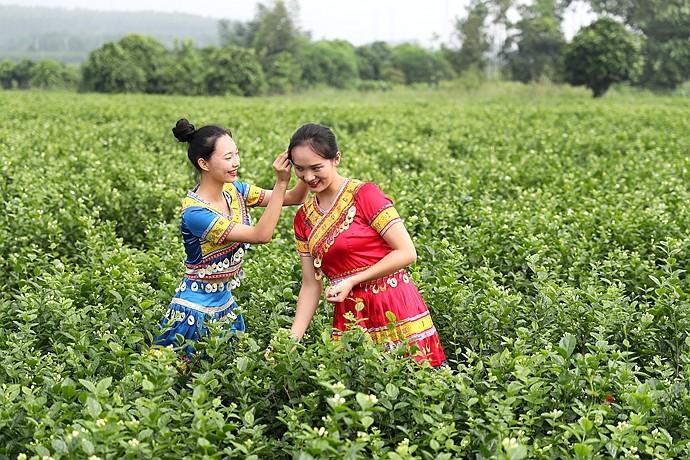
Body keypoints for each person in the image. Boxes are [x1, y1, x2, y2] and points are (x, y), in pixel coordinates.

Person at [288, 123, 447, 367]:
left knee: (417, 386)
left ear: (336, 159)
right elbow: (311, 284)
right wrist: (290, 342)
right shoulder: (303, 219)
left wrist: (352, 280)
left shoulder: (365, 195)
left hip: (393, 304)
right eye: (300, 169)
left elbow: (406, 253)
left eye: (316, 167)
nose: (308, 177)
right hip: (350, 315)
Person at [154, 118, 307, 354]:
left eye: (236, 154)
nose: (236, 162)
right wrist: (280, 181)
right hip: (194, 310)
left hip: (225, 305)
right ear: (204, 163)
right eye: (228, 158)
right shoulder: (196, 214)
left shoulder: (235, 190)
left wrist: (303, 166)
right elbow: (261, 235)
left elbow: (293, 198)